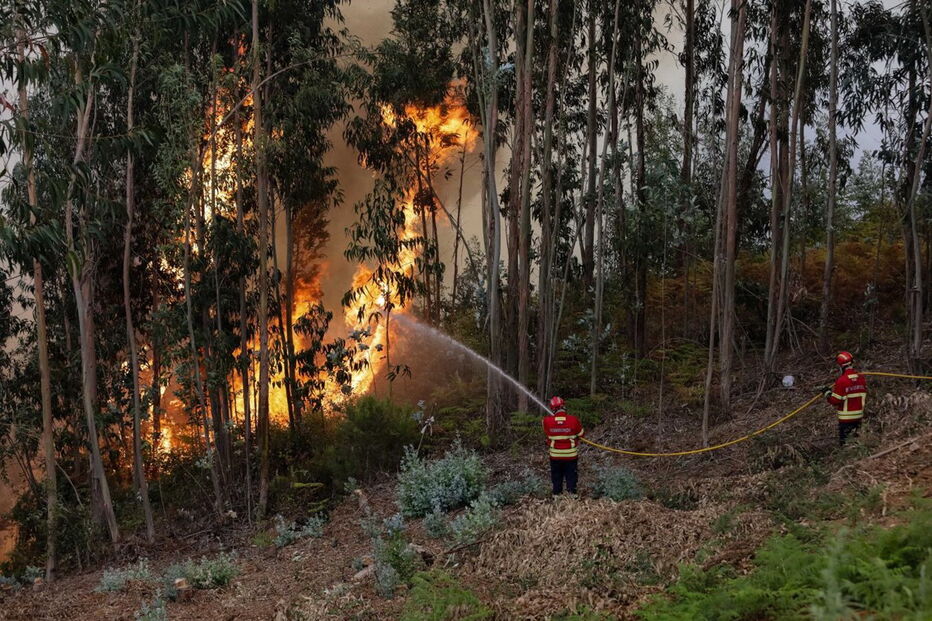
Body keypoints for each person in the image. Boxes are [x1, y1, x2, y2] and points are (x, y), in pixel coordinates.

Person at [542, 396, 585, 496]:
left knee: (556, 477)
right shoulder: (573, 420)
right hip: (571, 456)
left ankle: (557, 497)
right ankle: (572, 496)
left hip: (555, 456)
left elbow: (547, 434)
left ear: (552, 408)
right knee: (571, 476)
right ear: (563, 406)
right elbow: (581, 434)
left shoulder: (546, 421)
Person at [823, 351, 868, 445]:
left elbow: (835, 400)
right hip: (859, 417)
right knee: (857, 443)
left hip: (846, 419)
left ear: (841, 366)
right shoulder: (861, 378)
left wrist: (827, 393)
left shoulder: (842, 380)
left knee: (846, 444)